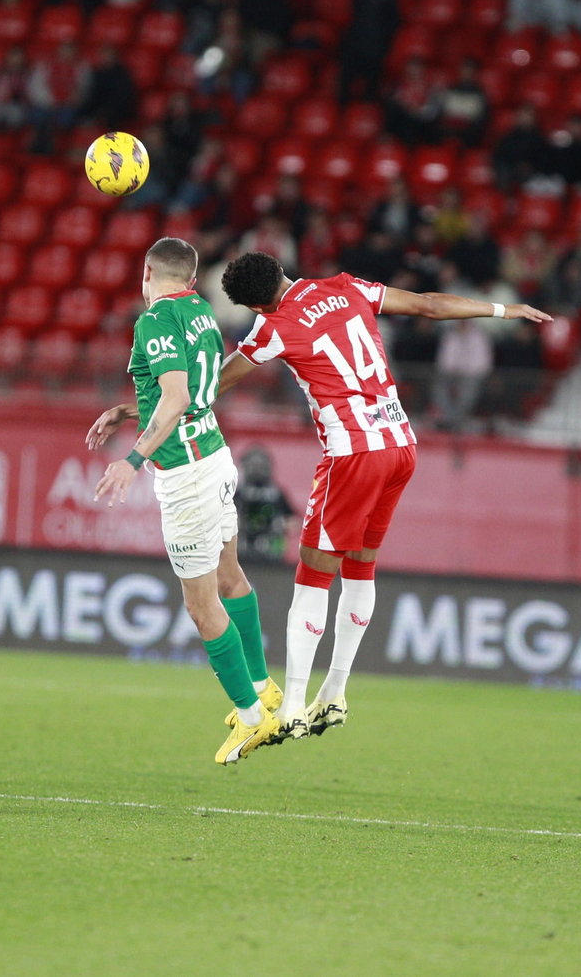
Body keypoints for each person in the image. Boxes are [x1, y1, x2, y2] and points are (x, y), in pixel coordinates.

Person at [211, 252, 551, 740]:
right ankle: (335, 692)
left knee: (312, 575)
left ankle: (294, 707)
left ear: (256, 307)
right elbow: (429, 306)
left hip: (353, 453)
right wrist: (503, 310)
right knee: (361, 564)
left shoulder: (272, 327)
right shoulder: (346, 287)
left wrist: (156, 407)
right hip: (399, 442)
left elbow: (220, 381)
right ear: (282, 271)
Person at [83, 238, 280, 765]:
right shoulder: (201, 312)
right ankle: (262, 687)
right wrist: (130, 410)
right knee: (229, 575)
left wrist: (133, 460)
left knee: (200, 605)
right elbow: (193, 393)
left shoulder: (153, 321)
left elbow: (173, 398)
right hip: (215, 457)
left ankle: (253, 718)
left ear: (147, 271)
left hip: (186, 478)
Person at [235, 446, 293, 564]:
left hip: (271, 547)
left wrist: (281, 524)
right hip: (242, 547)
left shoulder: (277, 493)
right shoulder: (239, 492)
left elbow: (294, 521)